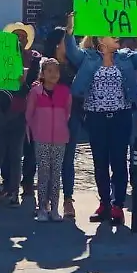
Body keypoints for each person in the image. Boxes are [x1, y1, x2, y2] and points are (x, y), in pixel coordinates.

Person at [62, 15, 137, 226]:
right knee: (100, 162)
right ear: (100, 39)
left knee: (119, 161)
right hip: (96, 118)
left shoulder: (126, 57)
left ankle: (118, 205)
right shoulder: (88, 57)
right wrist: (69, 31)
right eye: (111, 34)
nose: (117, 37)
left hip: (121, 116)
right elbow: (71, 52)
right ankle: (104, 204)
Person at [0, 22, 41, 207]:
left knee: (26, 149)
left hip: (27, 109)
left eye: (23, 37)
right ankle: (7, 183)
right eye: (16, 36)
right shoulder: (0, 58)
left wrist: (24, 84)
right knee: (4, 152)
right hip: (4, 109)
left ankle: (26, 183)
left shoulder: (34, 59)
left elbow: (36, 83)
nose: (19, 40)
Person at [40, 27, 85, 216]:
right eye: (66, 41)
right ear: (58, 44)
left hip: (71, 116)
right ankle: (46, 201)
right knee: (47, 160)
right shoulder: (45, 64)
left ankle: (67, 199)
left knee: (68, 159)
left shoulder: (76, 65)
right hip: (49, 117)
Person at [25, 57, 72, 222]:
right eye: (49, 71)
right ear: (42, 73)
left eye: (56, 71)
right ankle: (42, 208)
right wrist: (34, 132)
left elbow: (67, 113)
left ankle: (55, 209)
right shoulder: (35, 92)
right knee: (43, 173)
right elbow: (29, 115)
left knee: (56, 173)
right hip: (41, 138)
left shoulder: (65, 92)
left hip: (60, 138)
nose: (53, 74)